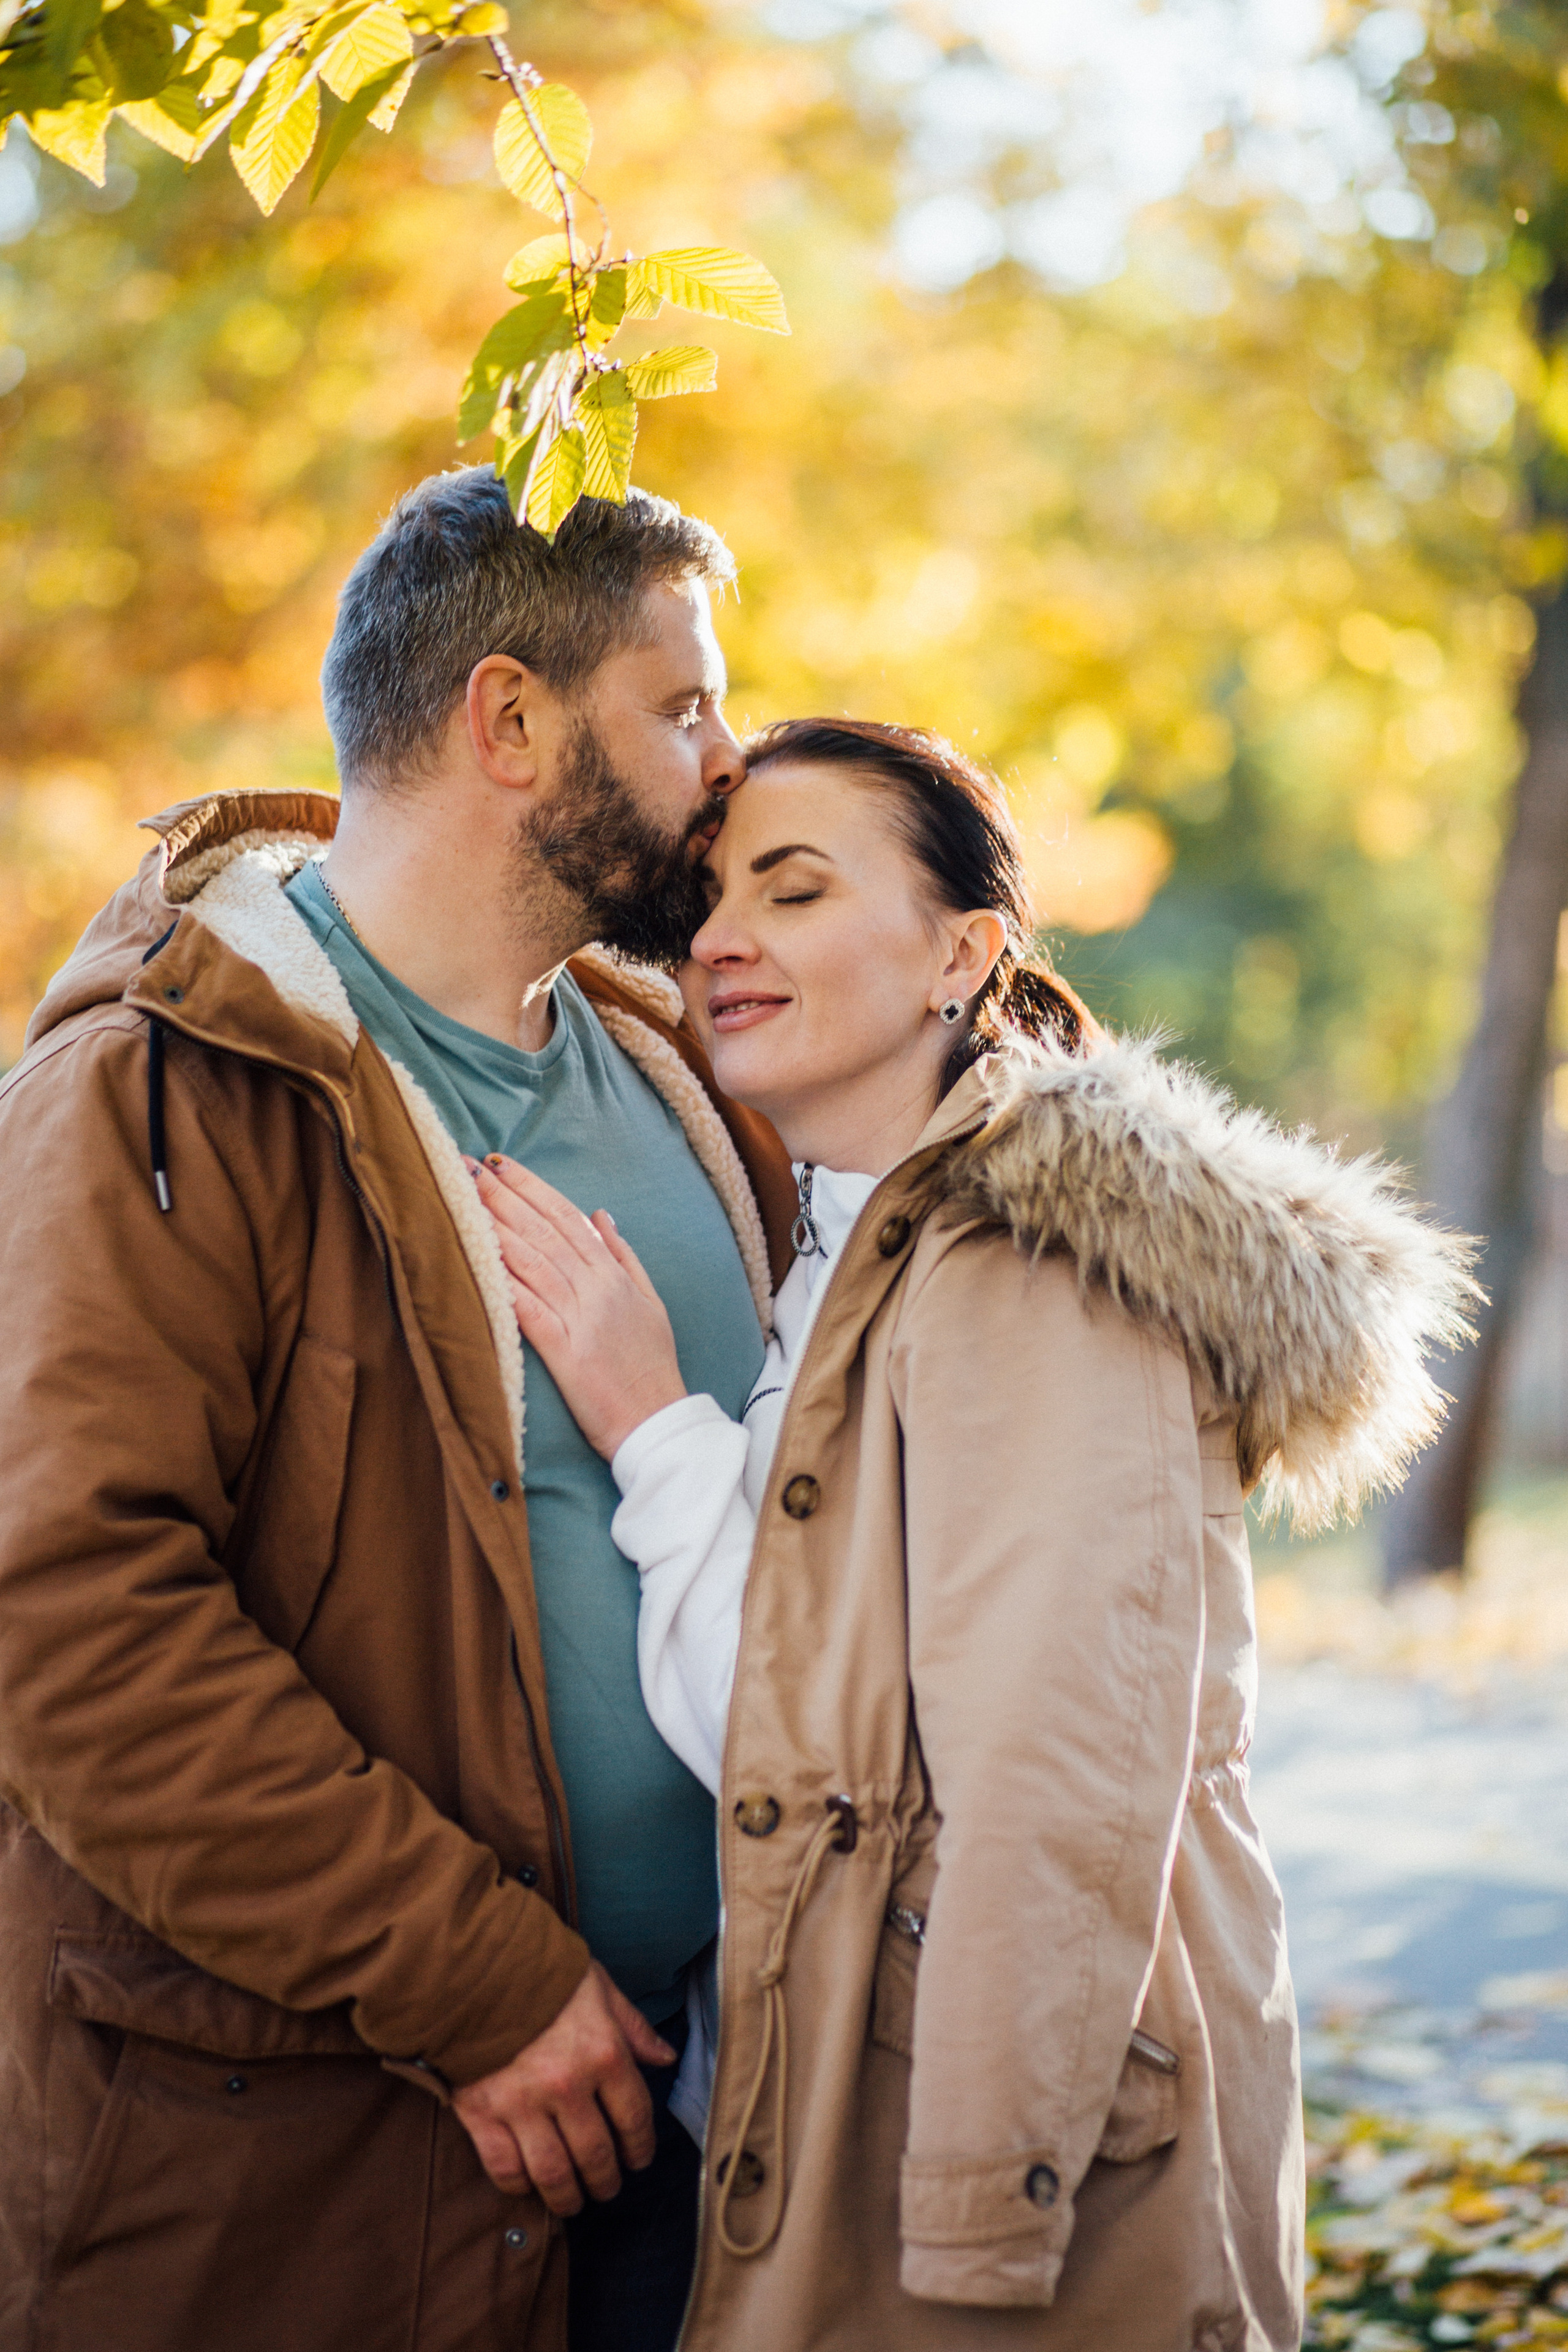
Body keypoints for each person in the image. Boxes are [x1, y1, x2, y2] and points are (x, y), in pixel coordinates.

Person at [473, 717, 1477, 2352]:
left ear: (965, 953)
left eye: (796, 893)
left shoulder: (1037, 1274)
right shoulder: (849, 1244)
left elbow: (1037, 1780)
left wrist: (648, 1421)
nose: (724, 938)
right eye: (717, 899)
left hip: (994, 2179)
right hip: (833, 2112)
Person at [0, 470, 797, 2352]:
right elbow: (70, 1623)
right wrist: (484, 1987)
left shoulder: (696, 1069)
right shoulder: (156, 1090)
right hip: (303, 2168)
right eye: (683, 707)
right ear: (509, 721)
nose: (730, 761)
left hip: (693, 2146)